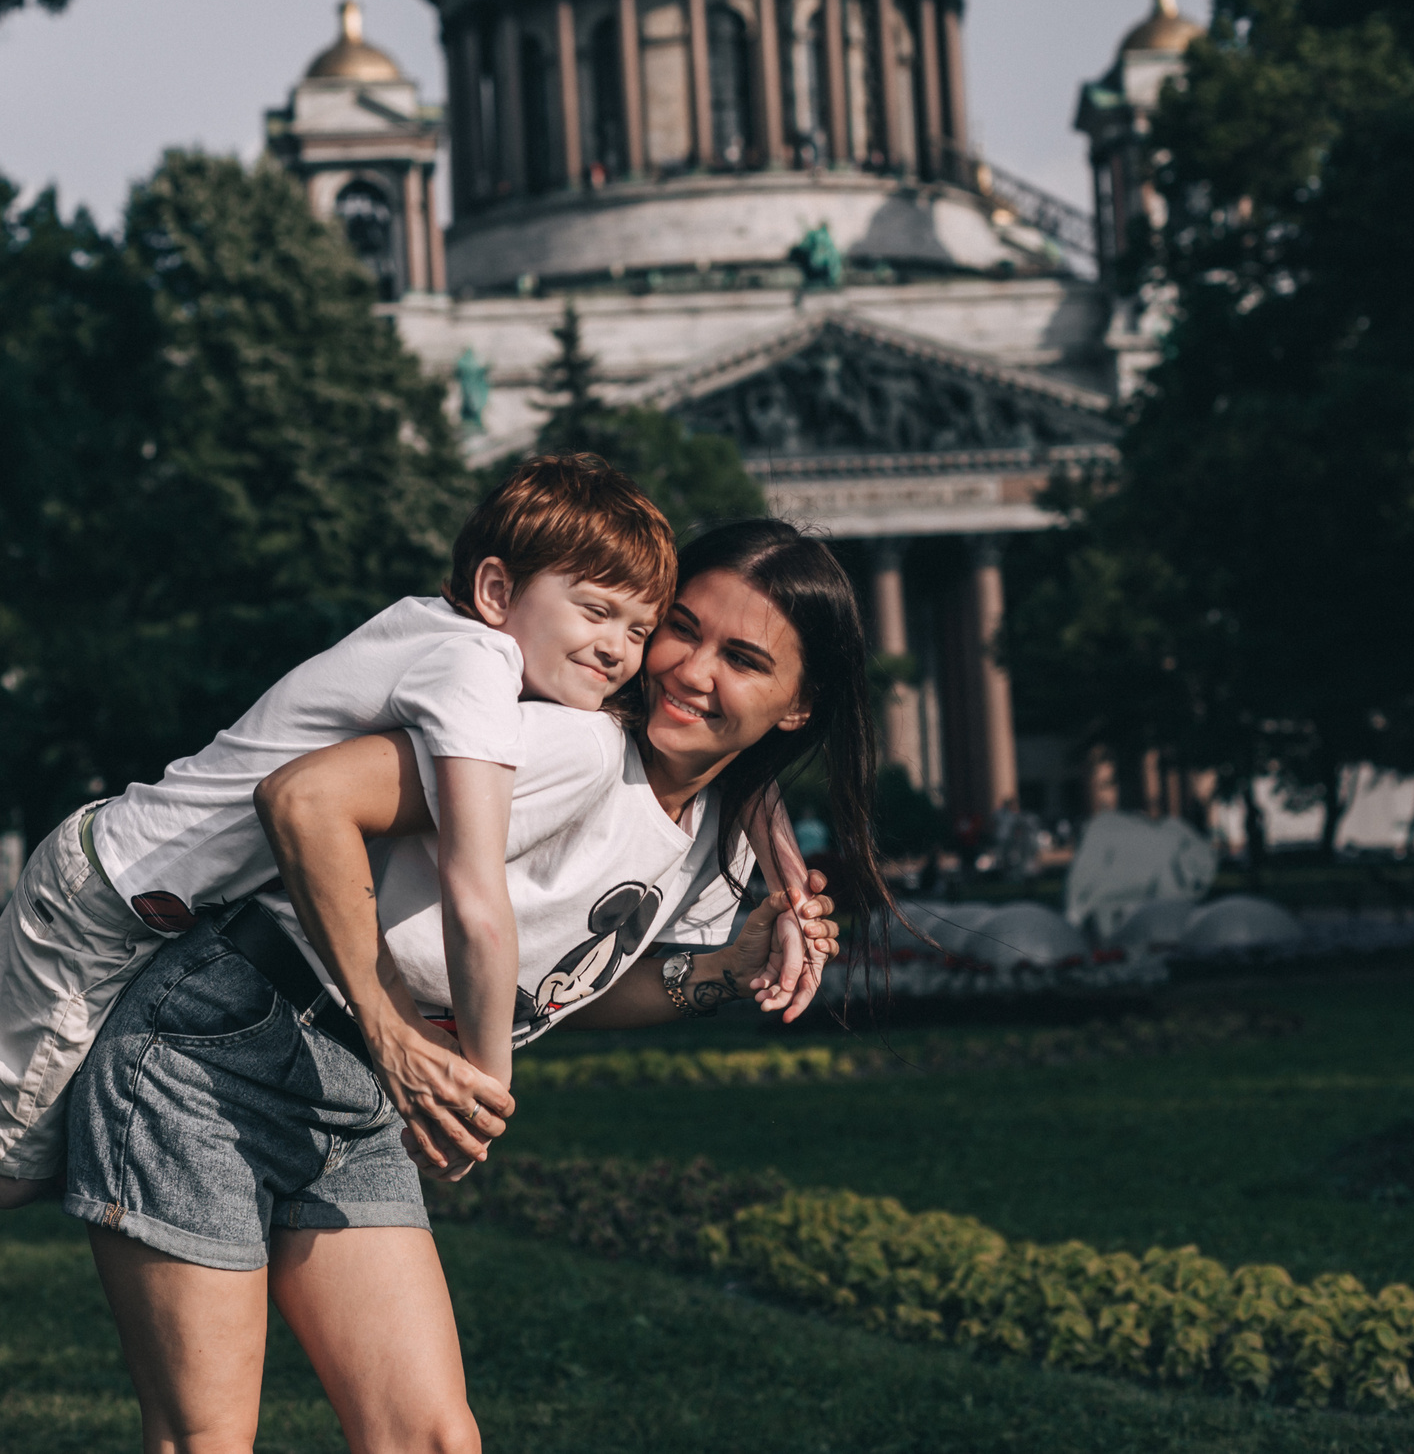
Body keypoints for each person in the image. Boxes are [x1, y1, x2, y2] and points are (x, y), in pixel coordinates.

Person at [0, 457, 808, 1207]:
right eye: (597, 614)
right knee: (1, 1170)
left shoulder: (479, 656)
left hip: (170, 910)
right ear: (498, 590)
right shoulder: (473, 669)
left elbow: (716, 766)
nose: (624, 654)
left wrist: (782, 861)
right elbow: (474, 896)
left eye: (638, 627)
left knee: (72, 1139)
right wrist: (482, 1090)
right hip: (110, 894)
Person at [71, 519, 882, 1452]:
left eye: (741, 658)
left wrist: (727, 969)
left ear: (798, 704)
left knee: (432, 1438)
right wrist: (393, 1031)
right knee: (207, 1438)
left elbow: (568, 987)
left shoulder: (723, 844)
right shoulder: (565, 744)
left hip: (362, 1090)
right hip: (220, 1044)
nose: (691, 670)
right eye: (683, 629)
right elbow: (308, 798)